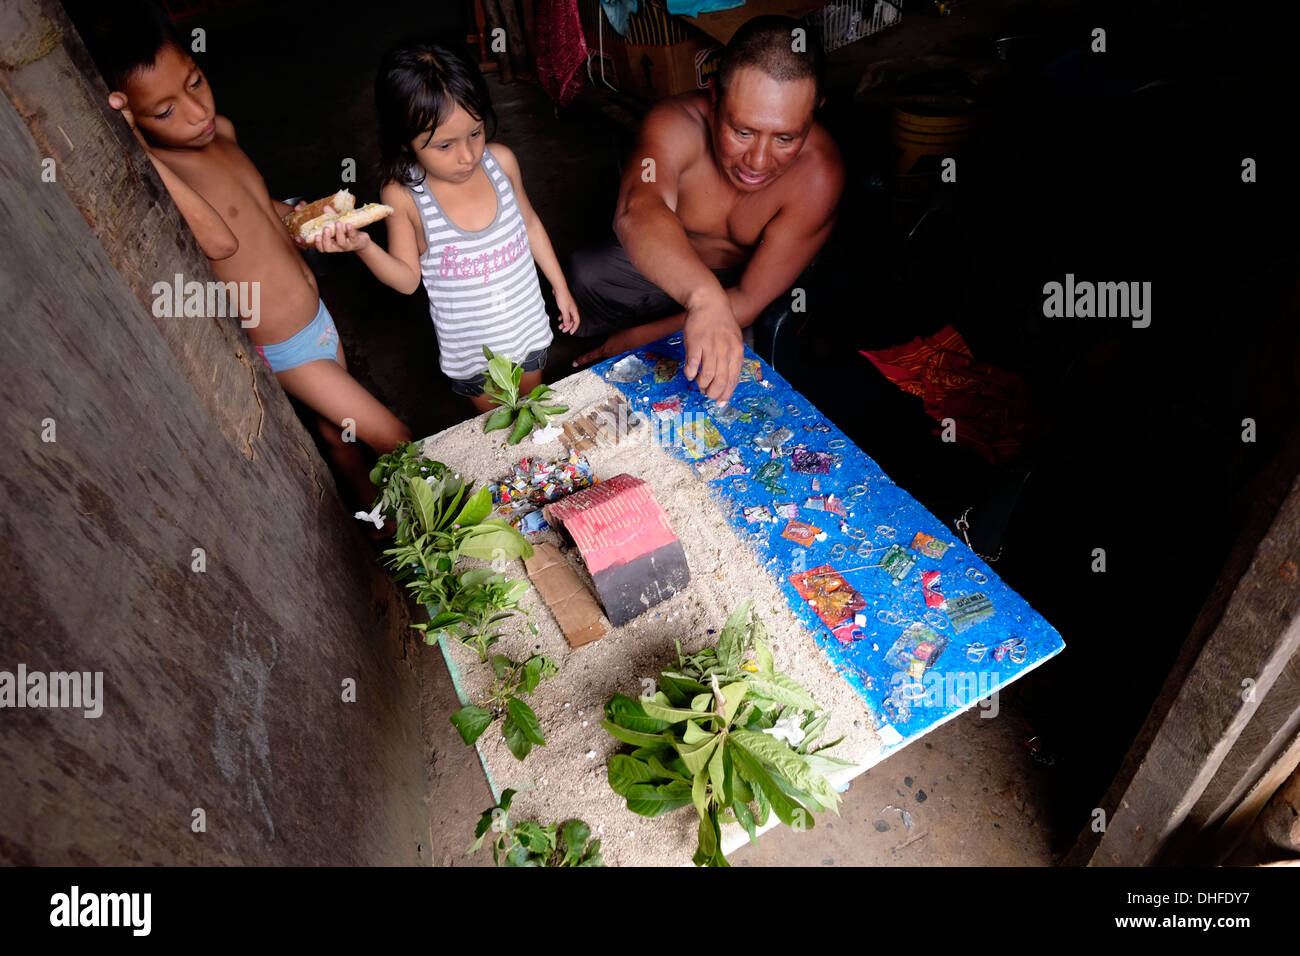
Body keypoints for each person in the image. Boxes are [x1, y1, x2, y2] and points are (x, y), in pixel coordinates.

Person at [75, 0, 410, 516]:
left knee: (338, 436)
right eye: (163, 112)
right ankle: (448, 551)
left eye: (194, 82)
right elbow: (219, 242)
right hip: (282, 347)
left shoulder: (223, 134)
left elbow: (263, 207)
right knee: (394, 437)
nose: (197, 112)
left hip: (316, 319)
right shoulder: (168, 173)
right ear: (129, 120)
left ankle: (377, 528)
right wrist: (138, 147)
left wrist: (303, 220)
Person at [570, 15, 844, 404]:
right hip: (672, 264)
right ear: (714, 93)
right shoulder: (674, 123)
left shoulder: (820, 176)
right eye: (742, 132)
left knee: (728, 362)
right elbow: (637, 209)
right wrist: (702, 297)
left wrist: (636, 339)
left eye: (785, 137)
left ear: (815, 111)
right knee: (587, 274)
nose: (759, 161)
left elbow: (748, 300)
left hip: (740, 290)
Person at [309, 41, 580, 414]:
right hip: (473, 361)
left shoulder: (501, 163)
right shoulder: (405, 197)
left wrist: (560, 287)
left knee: (533, 413)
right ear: (406, 142)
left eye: (475, 132)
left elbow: (530, 223)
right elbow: (407, 280)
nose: (467, 155)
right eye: (444, 145)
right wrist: (363, 246)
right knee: (502, 427)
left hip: (529, 333)